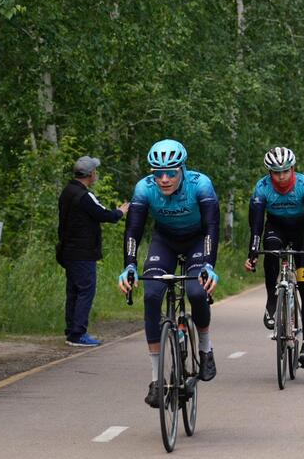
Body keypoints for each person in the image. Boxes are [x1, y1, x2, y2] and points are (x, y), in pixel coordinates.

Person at [117, 139, 220, 408]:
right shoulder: (144, 188)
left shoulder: (200, 184)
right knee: (151, 294)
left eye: (171, 172)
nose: (164, 179)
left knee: (197, 292)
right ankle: (156, 380)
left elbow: (211, 227)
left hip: (198, 240)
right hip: (165, 242)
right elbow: (134, 231)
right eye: (157, 173)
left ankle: (205, 349)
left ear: (182, 169)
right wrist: (129, 265)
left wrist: (209, 264)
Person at [244, 147, 304, 368]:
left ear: (292, 169)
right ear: (269, 172)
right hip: (275, 228)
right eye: (276, 172)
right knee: (270, 250)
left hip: (302, 231)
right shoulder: (262, 188)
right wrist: (252, 253)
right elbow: (257, 224)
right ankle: (272, 300)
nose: (281, 176)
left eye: (285, 171)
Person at [57, 156, 130, 347]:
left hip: (68, 250)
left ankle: (71, 330)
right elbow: (103, 214)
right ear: (91, 174)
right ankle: (78, 333)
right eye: (95, 171)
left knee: (73, 291)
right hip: (83, 252)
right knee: (85, 291)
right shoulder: (84, 195)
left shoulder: (67, 191)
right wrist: (121, 212)